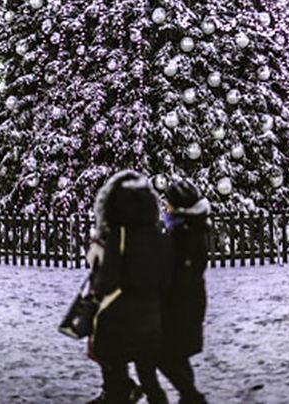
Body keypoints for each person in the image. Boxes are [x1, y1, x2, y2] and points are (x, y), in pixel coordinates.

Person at [87, 171, 171, 404]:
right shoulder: (158, 234)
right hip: (152, 316)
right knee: (149, 378)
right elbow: (166, 278)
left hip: (120, 317)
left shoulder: (118, 235)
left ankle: (117, 395)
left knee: (114, 367)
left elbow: (108, 280)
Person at [159, 179, 210, 404]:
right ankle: (188, 397)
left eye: (168, 205)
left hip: (180, 305)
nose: (165, 209)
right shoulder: (188, 229)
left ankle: (192, 397)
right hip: (187, 302)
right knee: (177, 355)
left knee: (163, 355)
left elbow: (178, 272)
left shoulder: (184, 234)